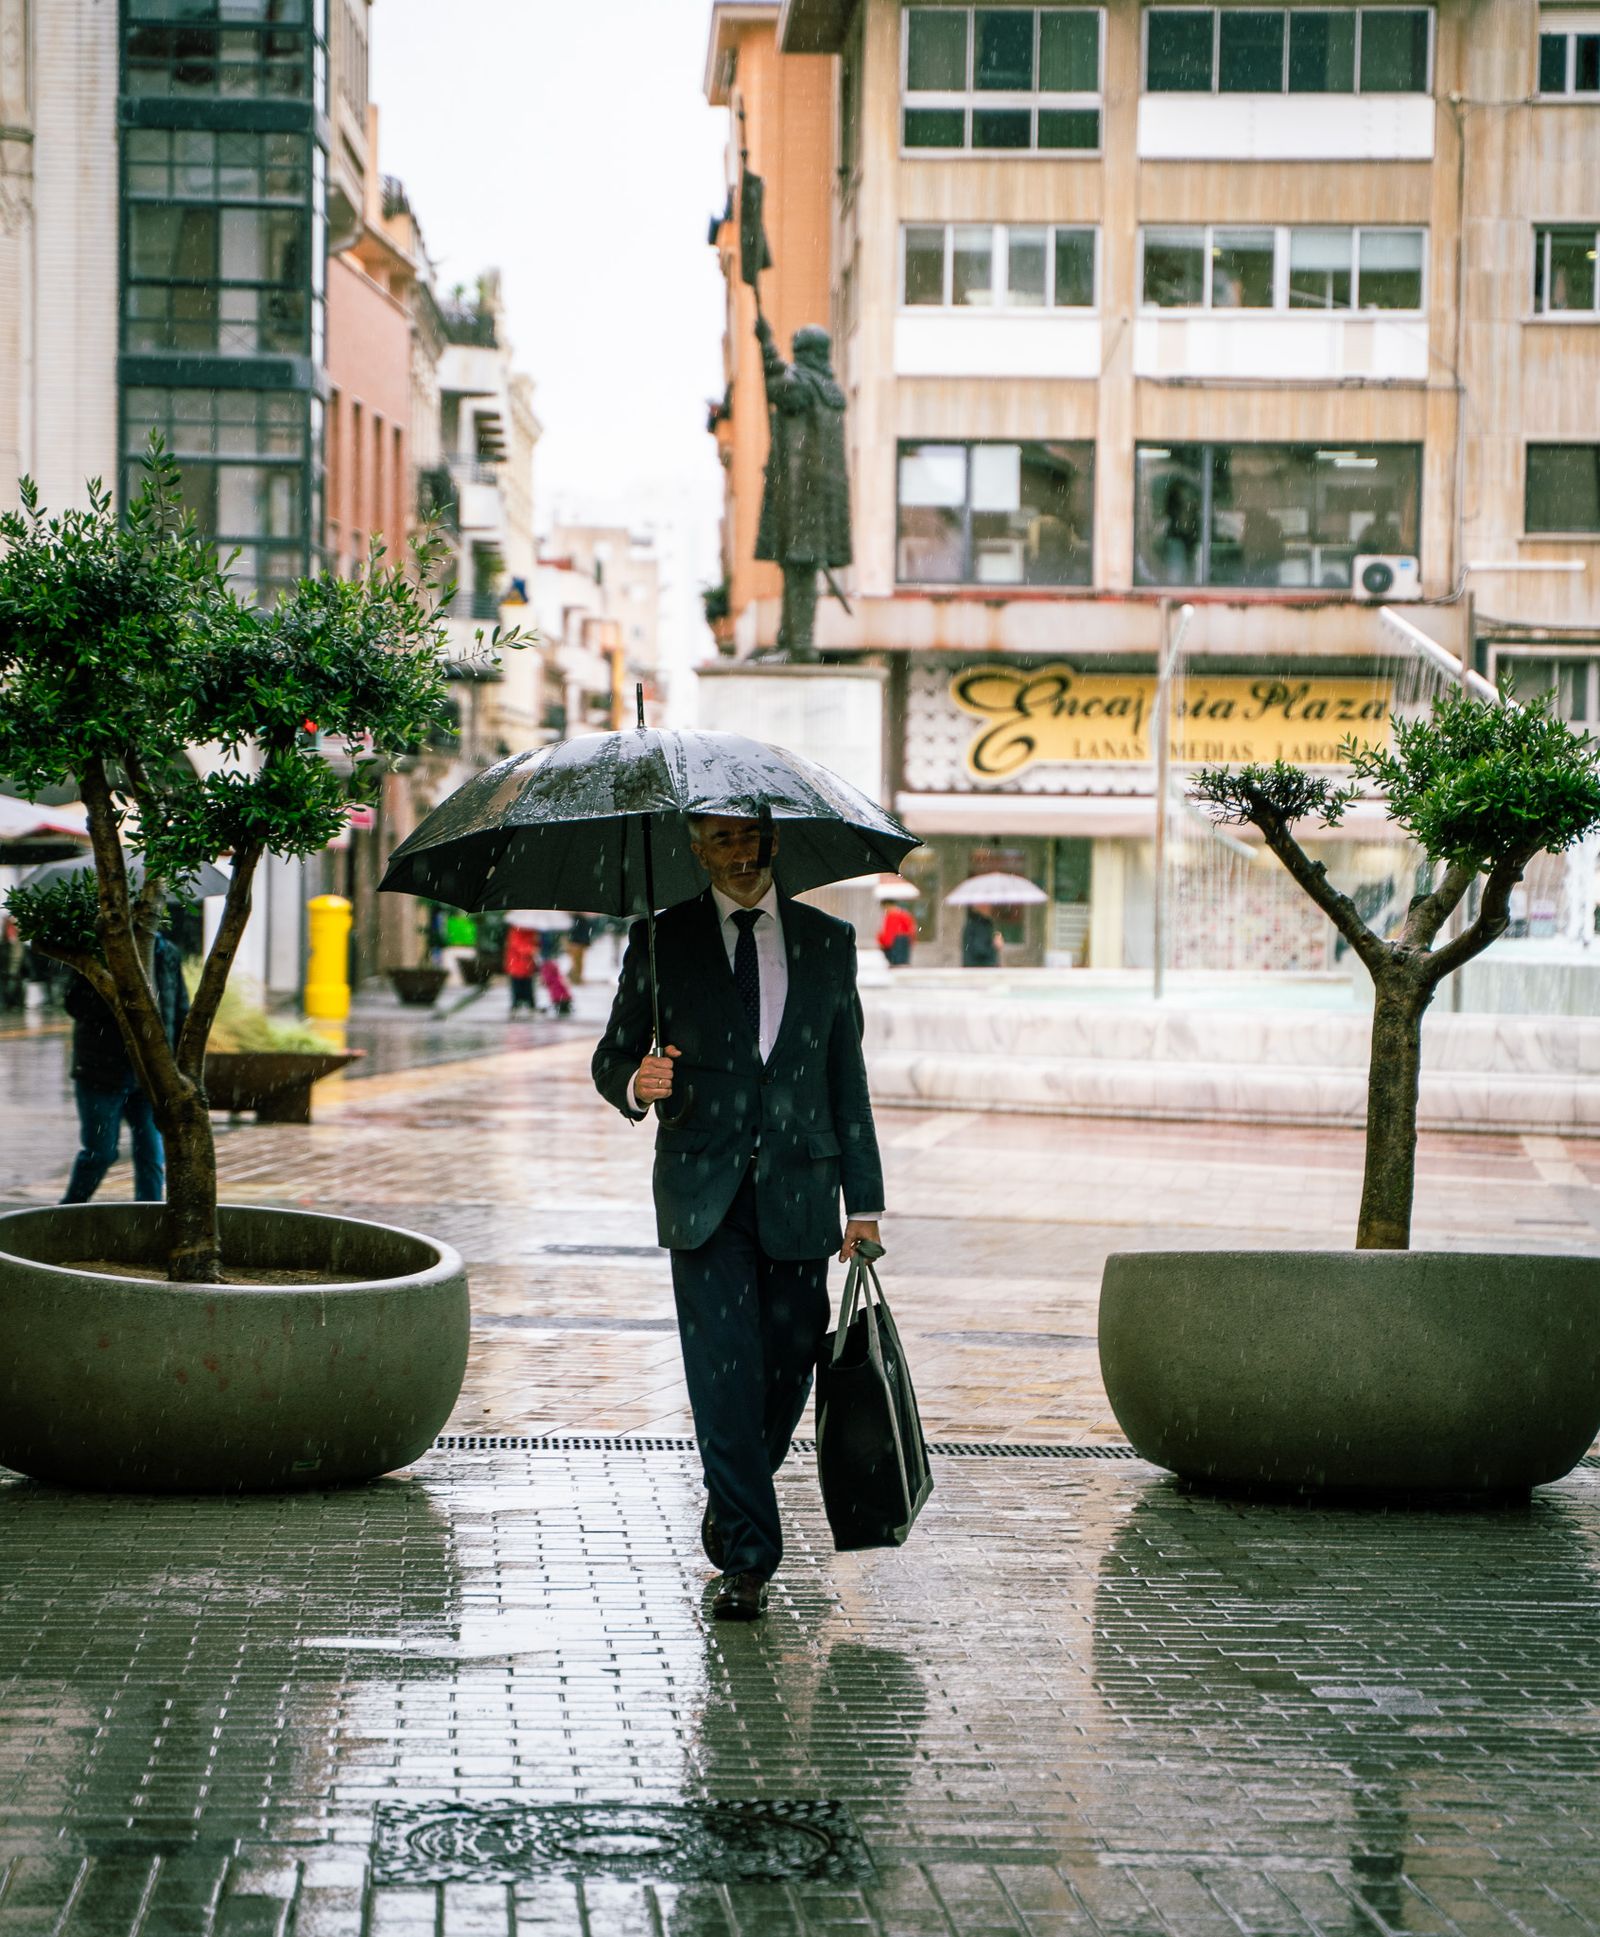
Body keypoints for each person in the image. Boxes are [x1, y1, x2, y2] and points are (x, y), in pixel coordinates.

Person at [592, 812, 884, 1623]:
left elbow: (846, 1074)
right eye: (722, 840)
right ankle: (749, 1560)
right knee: (723, 1373)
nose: (741, 852)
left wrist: (864, 1203)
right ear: (697, 849)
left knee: (786, 1371)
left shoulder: (829, 941)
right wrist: (638, 1082)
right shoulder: (662, 939)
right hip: (703, 1195)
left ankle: (734, 1495)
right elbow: (612, 1054)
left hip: (802, 1192)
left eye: (751, 836)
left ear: (774, 841)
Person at [61, 934, 188, 1205]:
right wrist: (120, 991)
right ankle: (66, 1213)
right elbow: (75, 1004)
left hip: (150, 1074)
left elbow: (179, 1010)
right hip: (100, 1073)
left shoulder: (166, 951)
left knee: (151, 1154)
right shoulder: (101, 948)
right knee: (100, 1153)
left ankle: (149, 1217)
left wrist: (176, 1068)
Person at [754, 318, 851, 662]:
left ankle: (800, 646)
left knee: (800, 569)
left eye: (797, 352)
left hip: (804, 496)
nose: (794, 358)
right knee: (796, 568)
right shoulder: (828, 391)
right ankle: (789, 640)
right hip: (820, 498)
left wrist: (767, 346)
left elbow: (778, 387)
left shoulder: (807, 388)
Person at [504, 920, 538, 1014]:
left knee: (527, 984)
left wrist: (533, 946)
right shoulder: (516, 930)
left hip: (526, 963)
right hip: (517, 962)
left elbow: (533, 943)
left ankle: (528, 1002)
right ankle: (517, 1003)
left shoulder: (531, 931)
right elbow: (517, 944)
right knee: (517, 984)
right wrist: (530, 949)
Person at [877, 901, 916, 968]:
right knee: (897, 964)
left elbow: (890, 931)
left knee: (898, 964)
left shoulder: (897, 915)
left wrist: (883, 942)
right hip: (895, 942)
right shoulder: (894, 915)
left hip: (898, 942)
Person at [567, 912, 597, 985]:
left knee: (577, 960)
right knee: (577, 960)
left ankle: (576, 977)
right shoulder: (577, 919)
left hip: (577, 941)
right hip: (577, 942)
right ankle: (575, 977)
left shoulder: (578, 919)